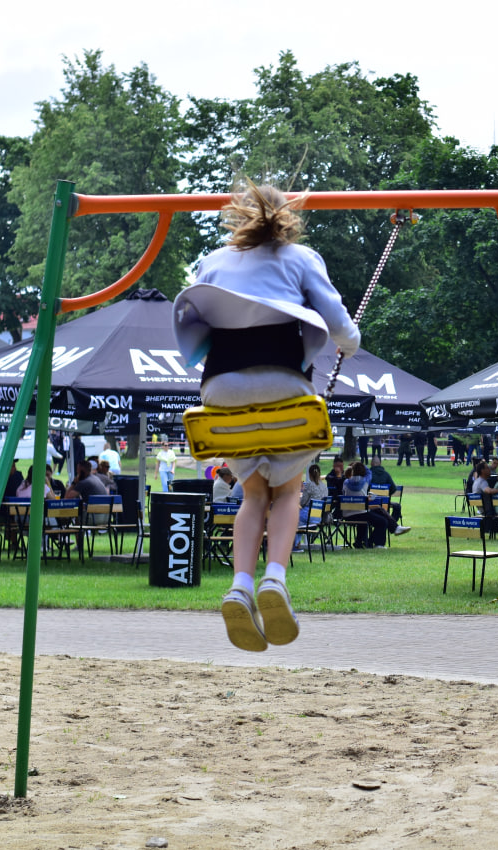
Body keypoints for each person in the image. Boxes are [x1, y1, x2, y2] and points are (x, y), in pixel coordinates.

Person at [173, 180, 360, 653]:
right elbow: (338, 322)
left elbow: (193, 316)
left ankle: (239, 584)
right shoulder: (299, 257)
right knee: (290, 490)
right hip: (283, 381)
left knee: (252, 493)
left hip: (222, 390)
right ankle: (274, 577)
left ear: (238, 217)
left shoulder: (212, 261)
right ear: (287, 219)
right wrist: (350, 344)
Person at [341, 462, 403, 547]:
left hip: (347, 514)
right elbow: (369, 472)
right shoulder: (365, 482)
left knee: (378, 510)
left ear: (353, 471)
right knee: (382, 521)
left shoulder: (346, 482)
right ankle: (377, 543)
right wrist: (361, 464)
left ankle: (394, 528)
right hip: (360, 513)